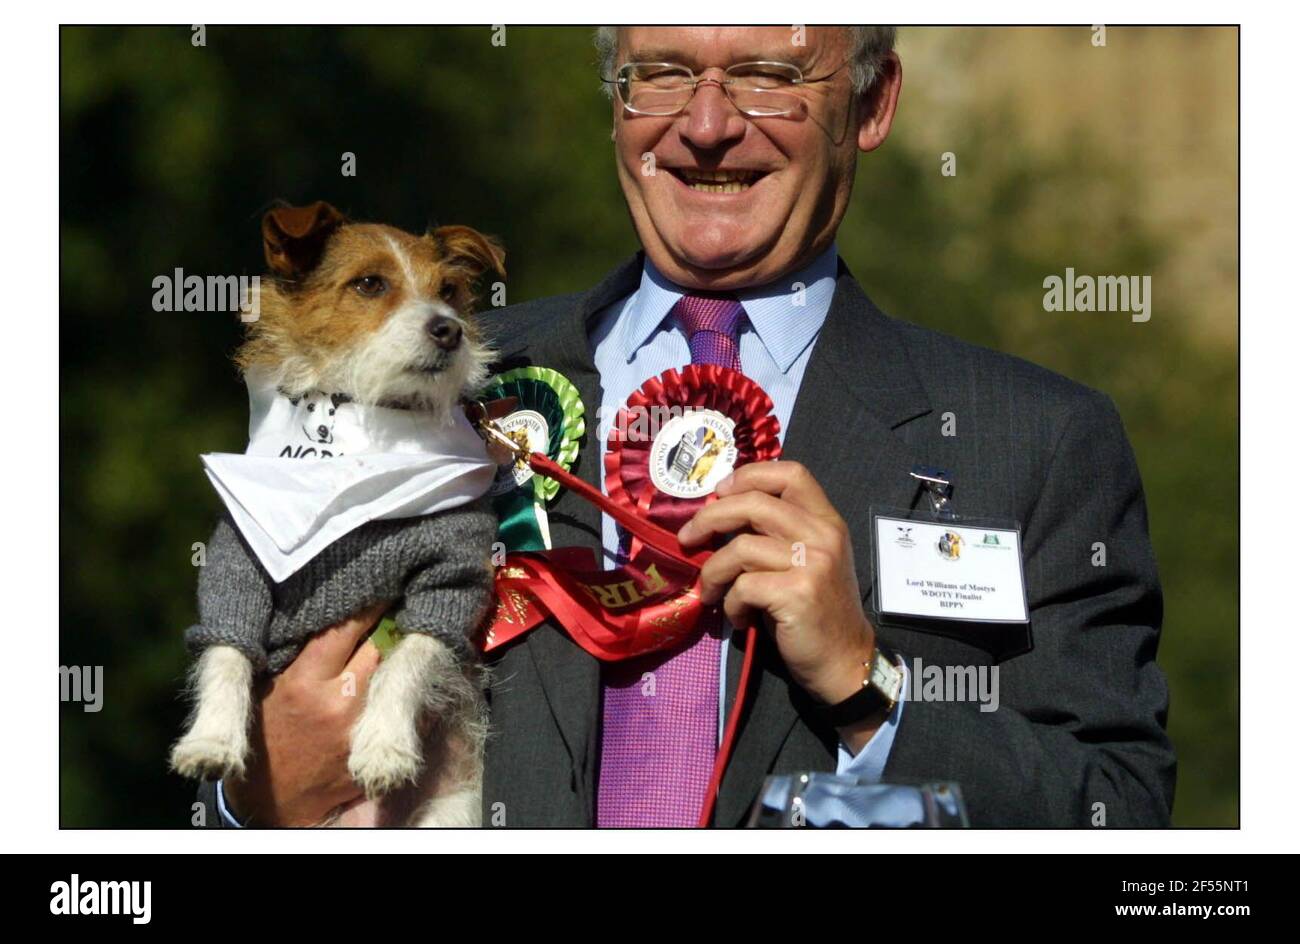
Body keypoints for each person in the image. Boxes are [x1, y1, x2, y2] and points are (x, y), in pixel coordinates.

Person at [200, 25, 1174, 828]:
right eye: (659, 75)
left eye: (768, 75)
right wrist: (254, 793)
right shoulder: (442, 376)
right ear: (615, 105)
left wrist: (866, 689)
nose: (707, 126)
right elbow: (242, 725)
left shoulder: (1038, 440)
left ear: (870, 105)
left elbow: (1122, 822)